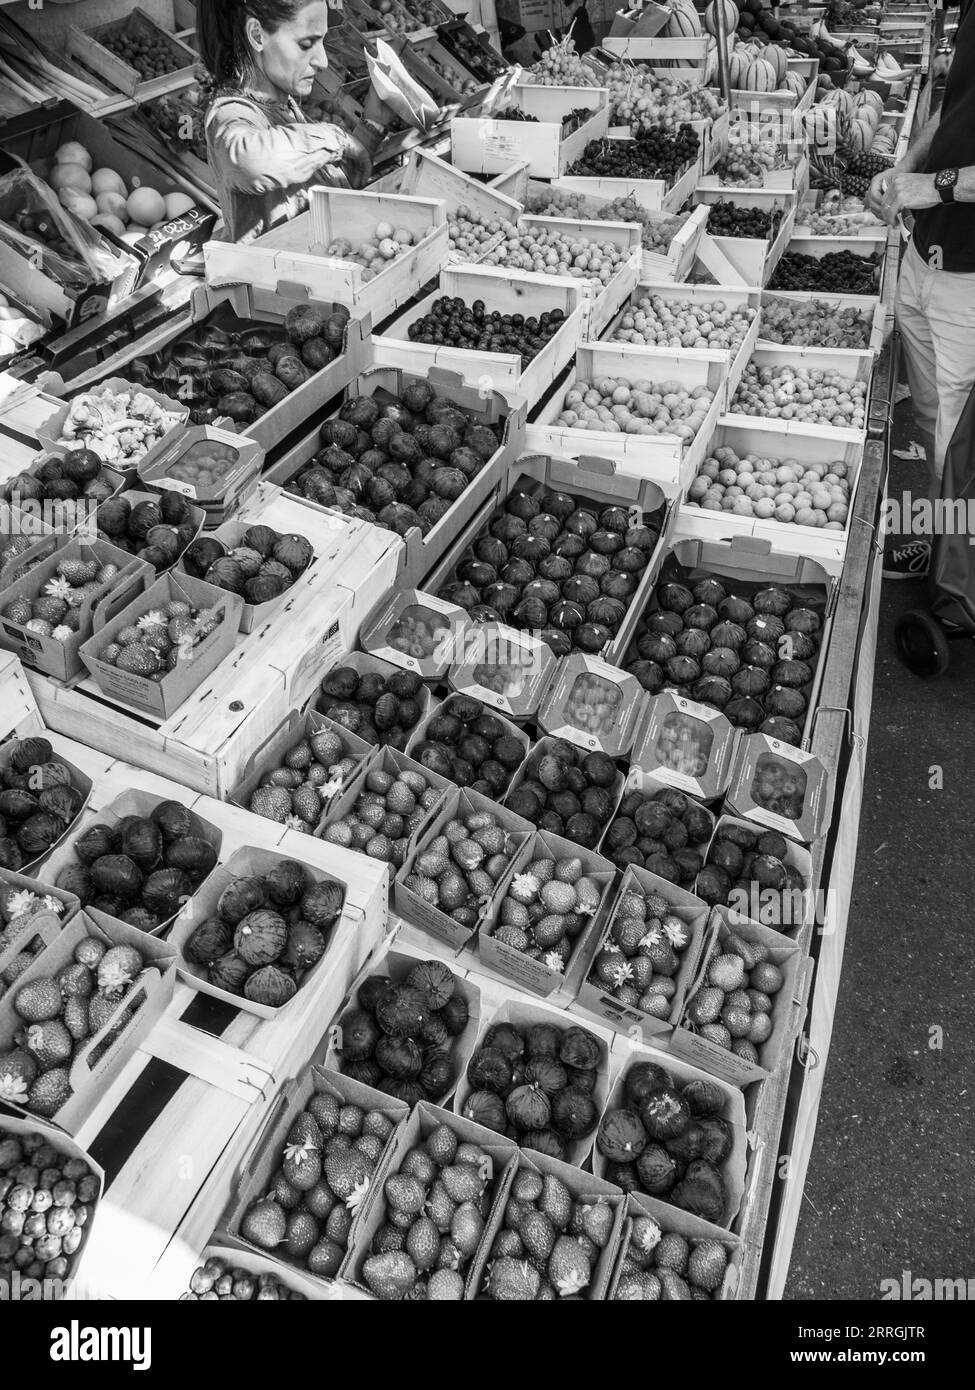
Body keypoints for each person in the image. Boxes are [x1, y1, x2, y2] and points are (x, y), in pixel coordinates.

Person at [867, 0, 975, 578]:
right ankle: (944, 548)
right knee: (936, 425)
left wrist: (934, 185)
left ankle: (958, 582)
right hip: (923, 258)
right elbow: (953, 107)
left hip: (969, 283)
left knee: (961, 444)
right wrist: (907, 163)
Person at [197, 0, 386, 244]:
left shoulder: (285, 105)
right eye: (306, 44)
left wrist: (373, 124)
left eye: (322, 42)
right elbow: (251, 162)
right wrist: (336, 138)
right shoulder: (230, 112)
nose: (322, 61)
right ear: (257, 35)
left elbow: (325, 190)